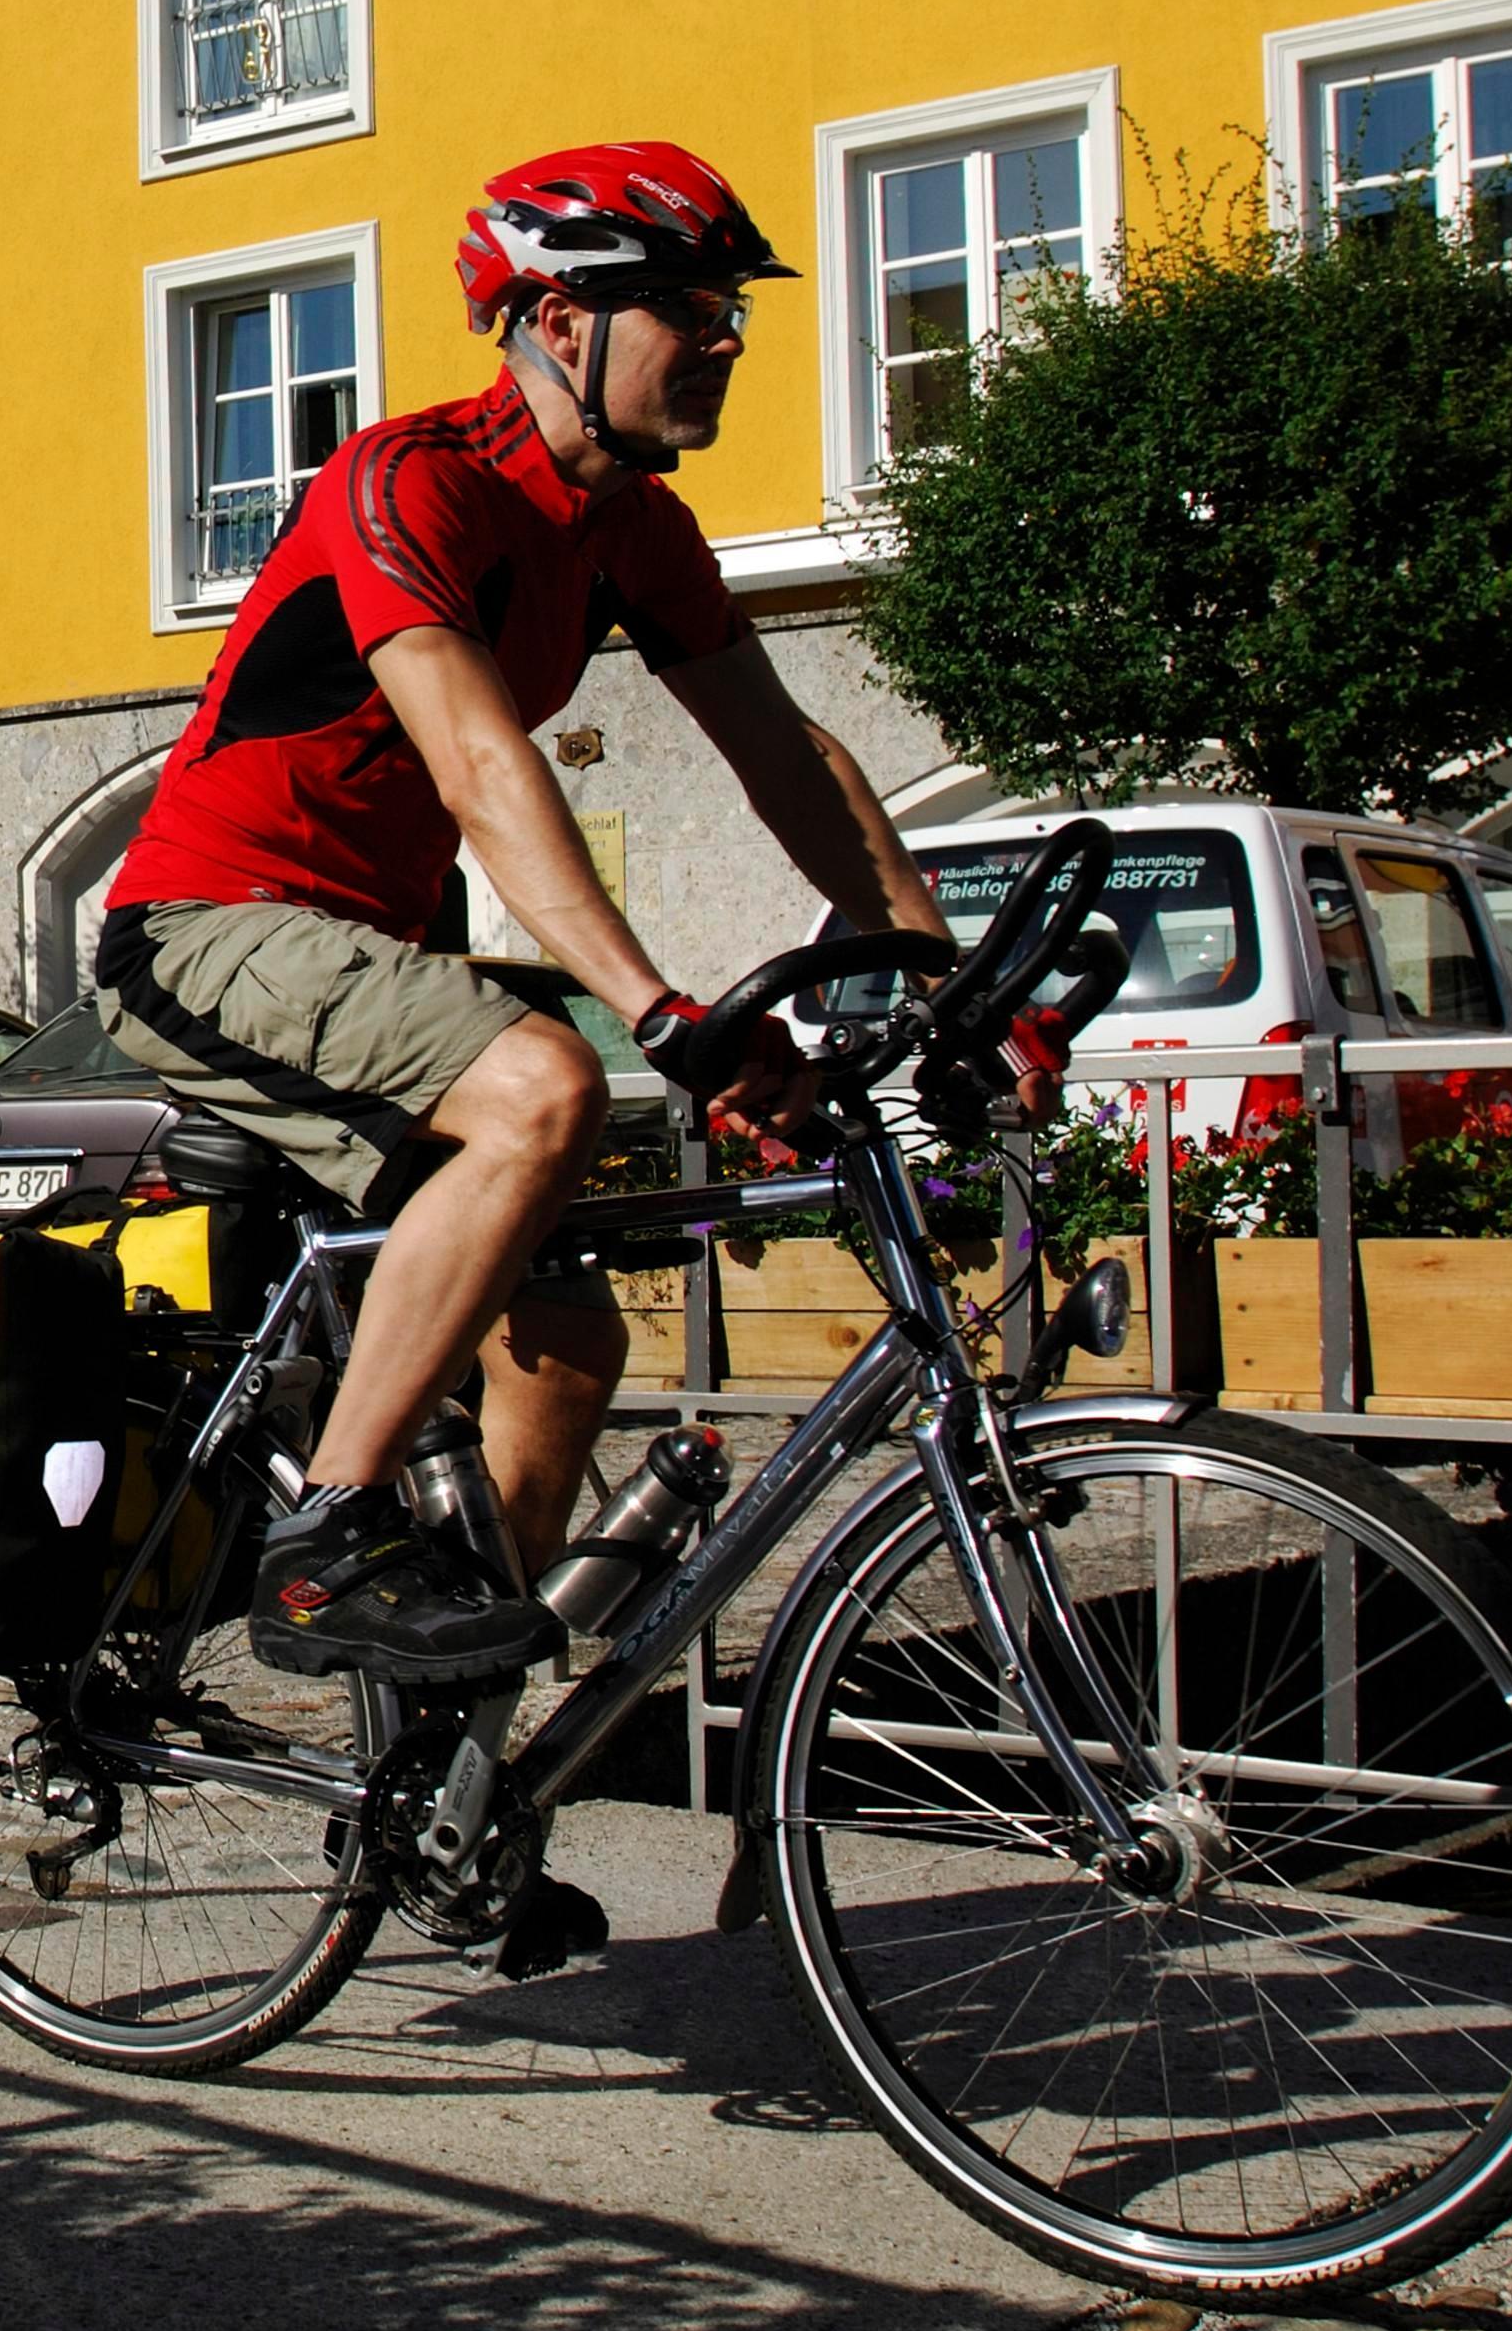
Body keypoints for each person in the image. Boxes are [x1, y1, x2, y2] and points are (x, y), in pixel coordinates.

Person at [92, 143, 949, 1685]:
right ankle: (325, 1541)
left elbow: (785, 753)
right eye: (692, 307)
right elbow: (484, 765)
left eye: (729, 308)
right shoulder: (409, 482)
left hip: (373, 956)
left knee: (566, 1353)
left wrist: (946, 971)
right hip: (207, 928)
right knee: (545, 1081)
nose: (729, 340)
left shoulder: (631, 533)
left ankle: (450, 1768)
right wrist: (659, 1009)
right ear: (561, 323)